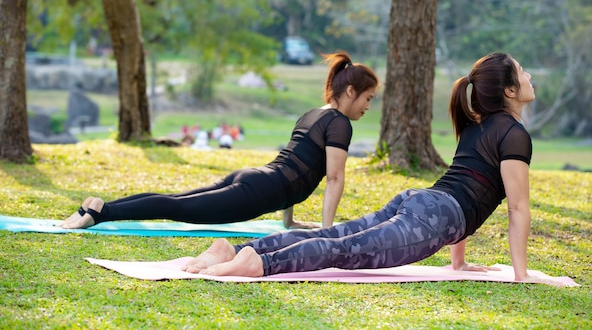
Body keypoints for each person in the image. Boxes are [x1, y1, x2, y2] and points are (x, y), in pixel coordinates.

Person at [182, 52, 564, 286]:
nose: (529, 76)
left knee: (342, 236)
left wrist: (459, 261)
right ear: (510, 91)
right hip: (435, 216)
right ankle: (258, 262)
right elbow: (516, 207)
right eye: (524, 71)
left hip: (422, 201)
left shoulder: (480, 124)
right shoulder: (513, 135)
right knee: (344, 248)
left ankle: (236, 249)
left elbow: (468, 186)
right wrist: (521, 274)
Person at [61, 51, 380, 230]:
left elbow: (297, 166)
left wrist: (291, 221)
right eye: (367, 98)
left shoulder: (314, 113)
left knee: (175, 200)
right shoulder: (339, 123)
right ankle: (102, 213)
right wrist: (326, 233)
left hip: (255, 178)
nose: (368, 106)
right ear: (350, 92)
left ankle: (97, 207)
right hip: (259, 190)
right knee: (178, 208)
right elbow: (334, 178)